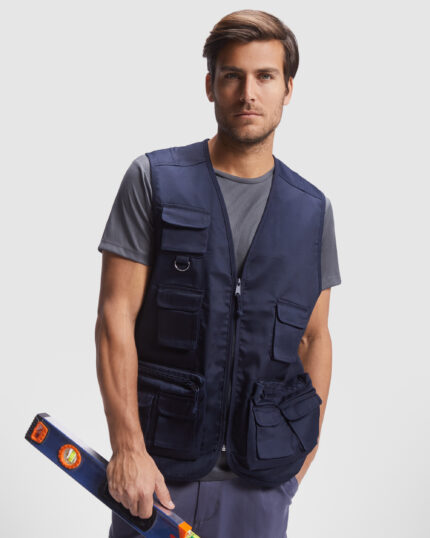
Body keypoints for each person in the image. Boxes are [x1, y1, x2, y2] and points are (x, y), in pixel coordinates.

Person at [95, 9, 341, 538]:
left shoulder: (312, 211)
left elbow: (315, 338)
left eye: (265, 76)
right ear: (210, 85)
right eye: (233, 75)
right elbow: (115, 317)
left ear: (288, 89)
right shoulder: (154, 180)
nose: (248, 93)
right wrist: (128, 449)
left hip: (262, 487)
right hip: (157, 480)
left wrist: (300, 462)